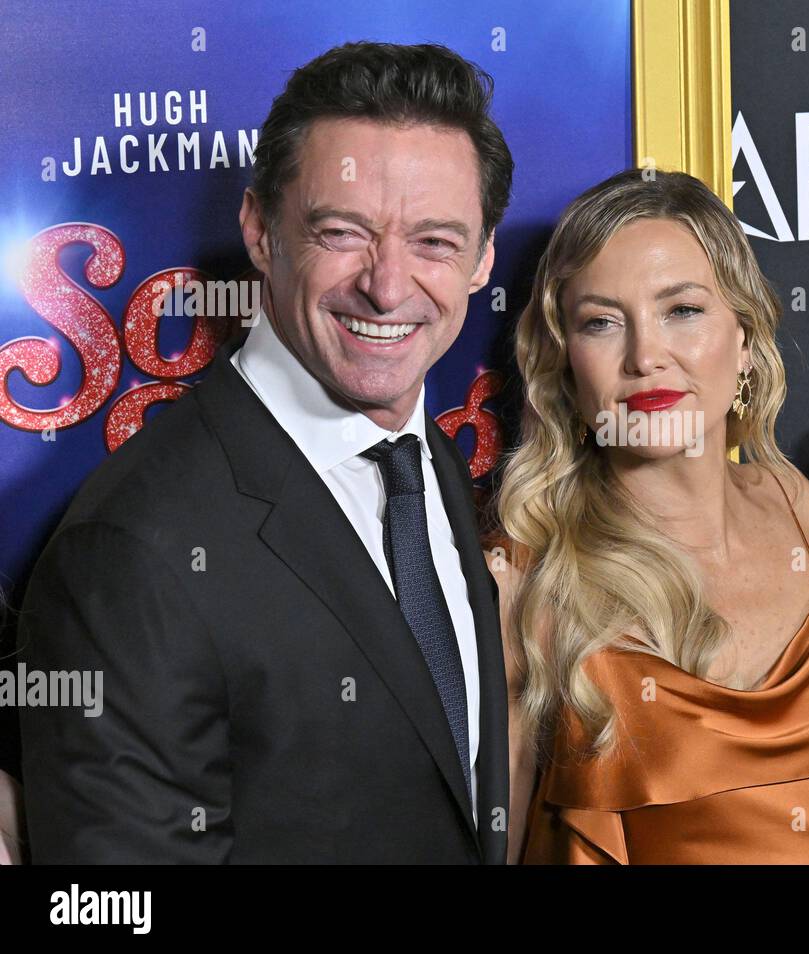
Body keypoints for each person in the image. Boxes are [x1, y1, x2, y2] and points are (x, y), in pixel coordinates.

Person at [17, 42, 512, 863]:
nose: (387, 288)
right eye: (344, 233)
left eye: (434, 241)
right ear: (259, 231)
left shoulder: (431, 468)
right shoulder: (135, 551)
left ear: (483, 259)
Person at [491, 169, 809, 864]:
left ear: (746, 341)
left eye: (682, 311)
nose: (646, 357)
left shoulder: (795, 504)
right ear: (565, 365)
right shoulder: (528, 574)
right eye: (602, 322)